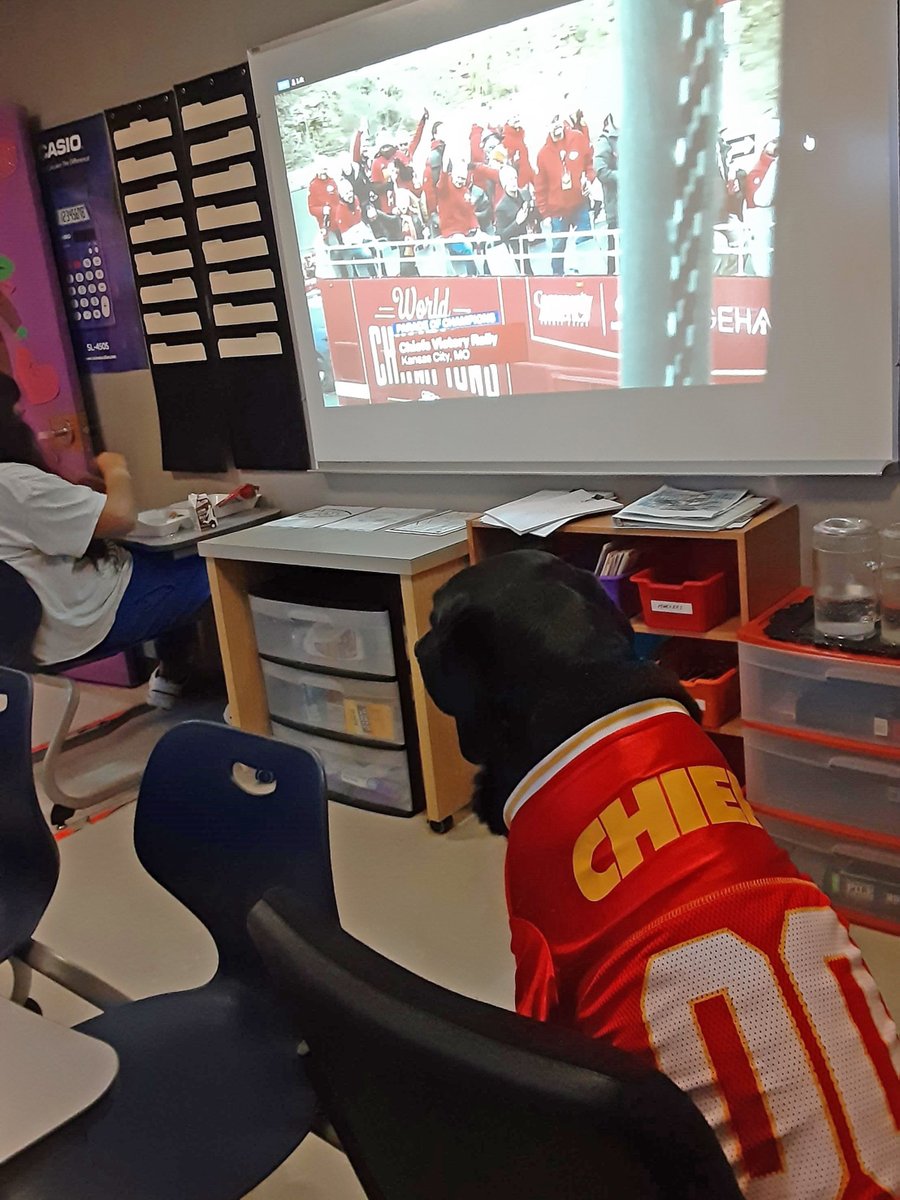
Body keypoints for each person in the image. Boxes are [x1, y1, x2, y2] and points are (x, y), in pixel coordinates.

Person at [0, 372, 210, 706]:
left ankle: (172, 675)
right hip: (82, 622)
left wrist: (77, 495)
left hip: (27, 636)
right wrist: (115, 468)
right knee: (216, 575)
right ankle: (250, 702)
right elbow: (121, 517)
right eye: (16, 414)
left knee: (167, 561)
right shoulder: (13, 484)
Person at [535, 111, 593, 276]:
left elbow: (589, 163)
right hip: (557, 210)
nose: (556, 125)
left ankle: (591, 275)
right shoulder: (542, 154)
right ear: (546, 126)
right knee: (558, 246)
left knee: (585, 240)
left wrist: (589, 179)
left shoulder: (578, 138)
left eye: (557, 119)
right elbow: (540, 187)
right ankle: (557, 277)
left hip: (580, 203)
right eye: (551, 122)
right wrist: (545, 213)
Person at [435, 154, 480, 276]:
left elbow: (470, 211)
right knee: (467, 249)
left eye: (463, 179)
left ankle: (485, 274)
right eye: (458, 178)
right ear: (453, 175)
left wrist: (477, 228)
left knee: (484, 243)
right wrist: (444, 169)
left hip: (465, 231)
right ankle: (473, 276)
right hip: (451, 233)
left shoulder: (465, 190)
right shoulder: (445, 188)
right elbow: (441, 184)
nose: (460, 181)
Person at [330, 178, 378, 278]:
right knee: (367, 253)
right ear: (341, 195)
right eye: (347, 193)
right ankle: (372, 276)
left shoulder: (356, 199)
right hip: (352, 242)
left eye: (351, 191)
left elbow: (360, 222)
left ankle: (381, 275)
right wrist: (359, 239)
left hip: (361, 232)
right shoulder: (339, 211)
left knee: (377, 247)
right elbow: (346, 237)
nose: (350, 195)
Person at [593, 113, 620, 273]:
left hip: (637, 208)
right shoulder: (605, 141)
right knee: (615, 254)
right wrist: (625, 176)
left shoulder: (634, 133)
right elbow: (600, 171)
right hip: (616, 209)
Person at [494, 165, 533, 275]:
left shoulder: (525, 194)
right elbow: (501, 235)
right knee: (524, 272)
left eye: (515, 178)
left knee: (529, 271)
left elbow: (535, 216)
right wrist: (517, 222)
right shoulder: (501, 207)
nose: (513, 182)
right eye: (510, 179)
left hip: (528, 239)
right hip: (515, 246)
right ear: (504, 183)